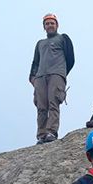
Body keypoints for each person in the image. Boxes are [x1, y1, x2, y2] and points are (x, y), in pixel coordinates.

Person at [29, 13, 75, 144]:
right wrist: (32, 77)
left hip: (56, 74)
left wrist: (62, 73)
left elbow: (70, 58)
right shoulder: (40, 43)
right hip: (40, 76)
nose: (50, 26)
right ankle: (41, 134)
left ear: (57, 25)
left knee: (53, 103)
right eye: (47, 24)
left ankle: (51, 132)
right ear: (44, 27)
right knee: (41, 106)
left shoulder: (63, 38)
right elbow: (35, 62)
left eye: (52, 23)